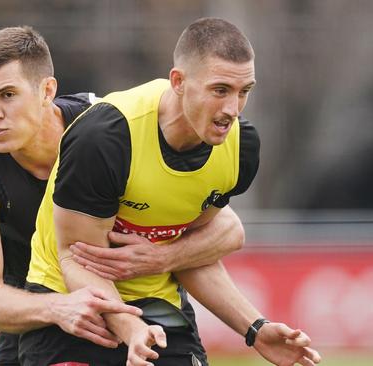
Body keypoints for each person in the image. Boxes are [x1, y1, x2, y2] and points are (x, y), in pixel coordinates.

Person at [20, 17, 322, 366]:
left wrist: (255, 328)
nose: (232, 110)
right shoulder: (105, 138)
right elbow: (75, 259)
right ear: (178, 81)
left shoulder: (240, 149)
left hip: (159, 312)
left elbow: (190, 254)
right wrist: (129, 327)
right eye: (220, 90)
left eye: (244, 92)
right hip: (71, 307)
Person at [0, 26, 247, 365]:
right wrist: (59, 308)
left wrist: (163, 258)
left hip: (130, 295)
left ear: (47, 90)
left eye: (7, 95)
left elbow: (228, 229)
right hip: (38, 305)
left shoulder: (102, 127)